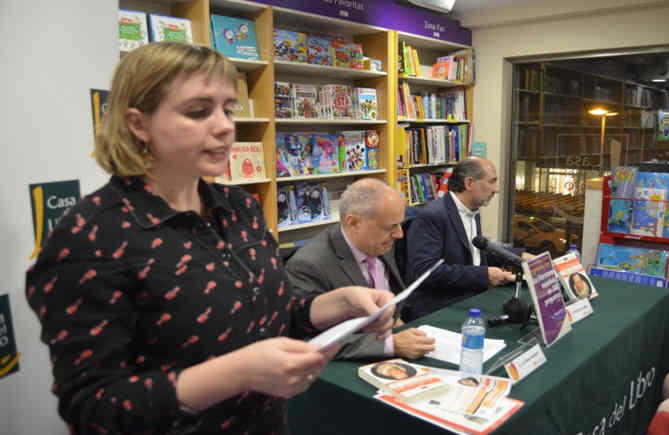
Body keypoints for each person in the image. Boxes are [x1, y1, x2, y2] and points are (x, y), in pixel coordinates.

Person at [24, 42, 394, 435]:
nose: (224, 126)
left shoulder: (240, 208)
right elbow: (91, 406)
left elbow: (272, 317)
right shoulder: (92, 236)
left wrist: (339, 304)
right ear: (138, 123)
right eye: (198, 112)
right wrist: (237, 373)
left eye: (228, 109)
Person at [286, 178, 435, 359]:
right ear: (354, 223)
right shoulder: (308, 266)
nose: (400, 234)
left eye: (399, 224)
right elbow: (310, 341)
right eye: (391, 227)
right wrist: (390, 345)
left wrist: (396, 324)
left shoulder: (380, 242)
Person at [404, 157, 532, 320]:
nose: (496, 189)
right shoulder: (432, 216)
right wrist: (484, 275)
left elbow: (479, 252)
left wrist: (520, 256)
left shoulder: (473, 211)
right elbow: (425, 271)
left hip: (471, 298)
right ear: (469, 183)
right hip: (439, 308)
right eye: (492, 182)